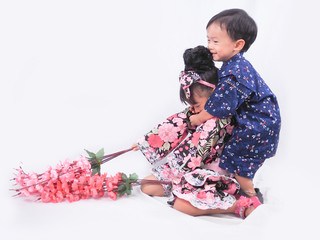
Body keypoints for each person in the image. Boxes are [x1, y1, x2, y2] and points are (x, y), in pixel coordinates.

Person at [133, 46, 261, 218]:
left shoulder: (223, 118)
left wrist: (182, 171)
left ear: (215, 95)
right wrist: (145, 143)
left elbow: (199, 152)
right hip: (188, 167)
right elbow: (174, 124)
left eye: (197, 105)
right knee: (147, 186)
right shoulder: (197, 113)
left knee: (181, 206)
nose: (193, 110)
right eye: (191, 106)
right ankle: (182, 188)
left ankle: (237, 205)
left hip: (211, 171)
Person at [189, 9, 281, 200]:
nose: (209, 46)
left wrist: (198, 117)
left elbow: (220, 106)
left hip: (257, 126)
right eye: (208, 40)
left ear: (238, 45)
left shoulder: (235, 73)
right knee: (233, 158)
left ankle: (250, 198)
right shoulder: (234, 65)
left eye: (215, 41)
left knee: (240, 163)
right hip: (258, 122)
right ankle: (238, 190)